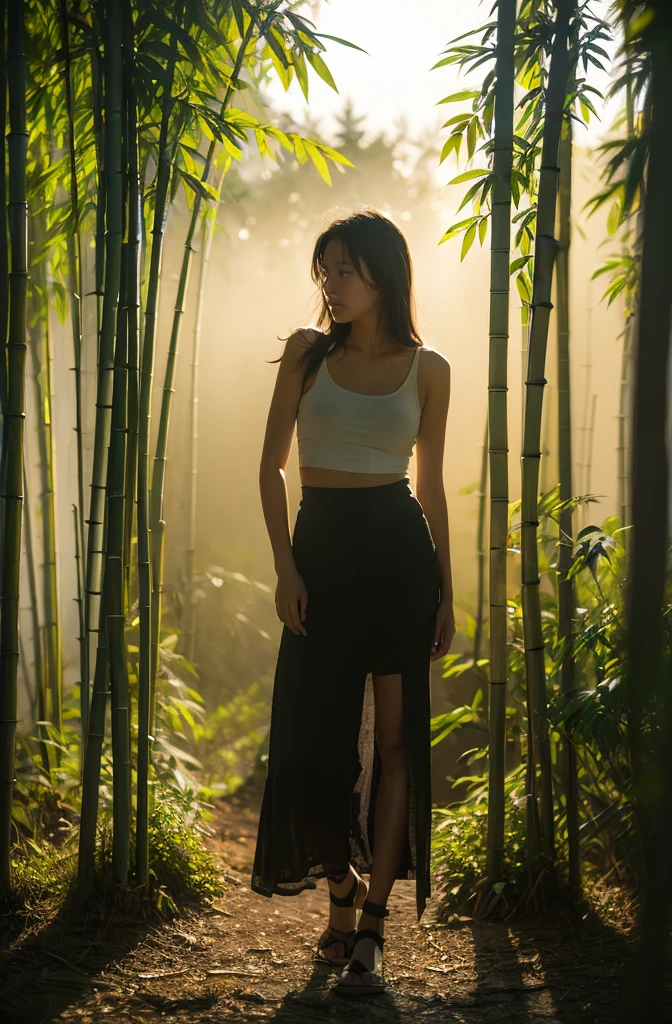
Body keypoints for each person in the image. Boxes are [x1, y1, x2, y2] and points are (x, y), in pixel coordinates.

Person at [251, 209, 455, 997]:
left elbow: (431, 487)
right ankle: (338, 892)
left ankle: (372, 925)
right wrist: (284, 568)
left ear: (383, 275)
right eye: (324, 272)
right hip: (321, 559)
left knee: (398, 750)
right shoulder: (306, 356)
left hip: (400, 561)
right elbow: (271, 468)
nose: (331, 286)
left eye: (344, 270)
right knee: (310, 750)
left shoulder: (430, 367)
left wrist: (447, 591)